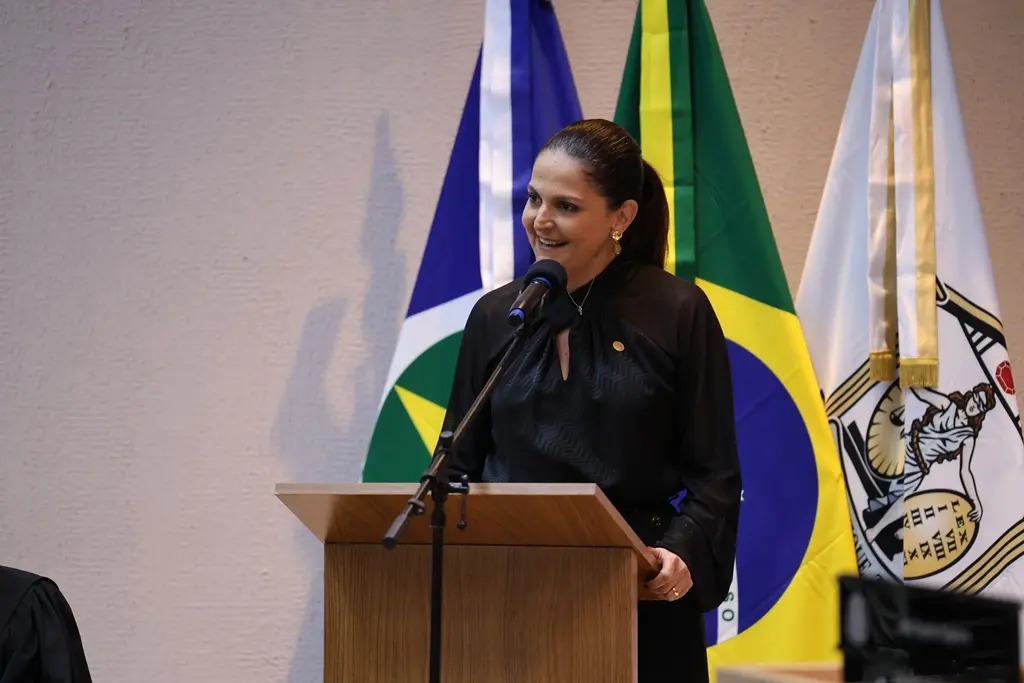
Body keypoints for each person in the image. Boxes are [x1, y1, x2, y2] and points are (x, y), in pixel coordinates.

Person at [439, 118, 742, 682]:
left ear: (621, 217)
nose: (540, 220)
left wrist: (679, 552)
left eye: (566, 206)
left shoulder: (676, 311)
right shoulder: (496, 316)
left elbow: (715, 475)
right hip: (508, 593)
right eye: (533, 199)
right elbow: (455, 463)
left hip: (638, 592)